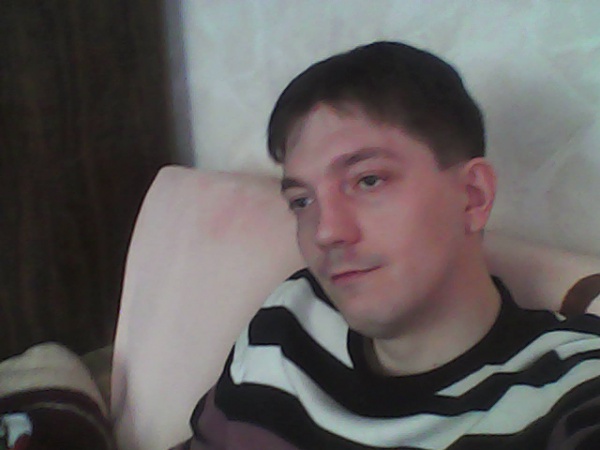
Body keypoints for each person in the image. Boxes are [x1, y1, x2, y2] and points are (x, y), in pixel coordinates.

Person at [173, 42, 600, 449]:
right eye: (302, 201)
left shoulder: (569, 390)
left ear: (472, 197)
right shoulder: (288, 318)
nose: (325, 232)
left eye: (368, 180)